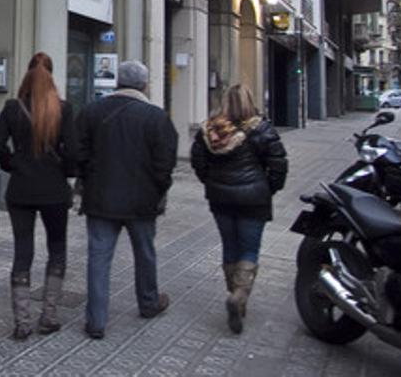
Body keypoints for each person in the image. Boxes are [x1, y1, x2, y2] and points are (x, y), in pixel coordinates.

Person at [75, 60, 178, 339]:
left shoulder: (92, 111)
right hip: (142, 201)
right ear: (144, 84)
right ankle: (148, 302)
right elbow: (165, 162)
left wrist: (88, 180)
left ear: (117, 82)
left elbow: (77, 155)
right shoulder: (156, 117)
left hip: (101, 198)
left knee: (98, 258)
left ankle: (96, 320)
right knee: (145, 254)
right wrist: (158, 189)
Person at [0, 53, 76, 339]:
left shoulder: (12, 108)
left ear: (26, 75)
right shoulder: (63, 109)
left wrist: (11, 163)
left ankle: (22, 321)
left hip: (21, 189)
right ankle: (49, 315)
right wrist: (64, 168)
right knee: (57, 248)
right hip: (54, 190)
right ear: (52, 76)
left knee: (22, 251)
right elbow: (74, 153)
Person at [190, 84, 288, 334]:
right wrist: (268, 189)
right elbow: (278, 164)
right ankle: (240, 295)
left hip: (220, 198)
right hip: (254, 199)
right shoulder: (262, 129)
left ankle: (233, 292)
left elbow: (198, 162)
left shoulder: (210, 129)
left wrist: (211, 182)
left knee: (230, 247)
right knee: (249, 248)